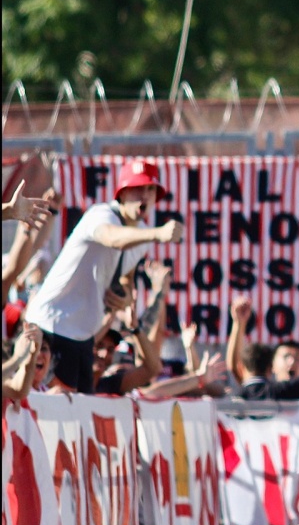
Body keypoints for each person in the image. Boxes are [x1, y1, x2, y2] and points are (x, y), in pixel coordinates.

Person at [24, 160, 183, 393]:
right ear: (123, 192)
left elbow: (125, 278)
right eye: (138, 188)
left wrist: (124, 297)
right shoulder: (101, 214)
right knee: (49, 413)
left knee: (81, 417)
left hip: (83, 337)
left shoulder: (141, 236)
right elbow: (112, 238)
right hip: (52, 326)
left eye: (151, 189)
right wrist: (158, 233)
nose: (145, 196)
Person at [227, 294, 299, 399]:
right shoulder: (274, 391)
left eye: (297, 358)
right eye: (285, 356)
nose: (291, 362)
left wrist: (238, 323)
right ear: (272, 366)